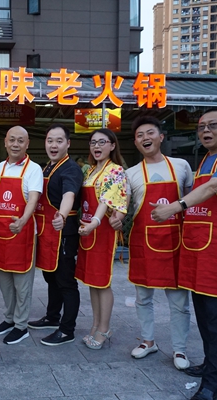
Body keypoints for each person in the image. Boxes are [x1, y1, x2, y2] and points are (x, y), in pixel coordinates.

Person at [151, 109, 217, 400]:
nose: (205, 131)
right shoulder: (205, 159)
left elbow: (213, 187)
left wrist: (174, 207)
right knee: (205, 316)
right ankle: (210, 364)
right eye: (201, 127)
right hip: (197, 247)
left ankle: (214, 384)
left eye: (213, 125)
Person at [124, 116, 192, 370]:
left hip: (176, 242)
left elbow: (191, 199)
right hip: (144, 243)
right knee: (143, 298)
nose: (145, 138)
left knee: (179, 302)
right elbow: (123, 206)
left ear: (161, 137)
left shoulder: (181, 166)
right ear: (136, 142)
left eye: (150, 133)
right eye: (140, 135)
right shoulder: (131, 174)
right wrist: (115, 218)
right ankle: (147, 341)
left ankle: (180, 350)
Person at [28, 124, 83, 346]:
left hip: (63, 232)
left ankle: (67, 329)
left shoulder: (70, 168)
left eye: (59, 141)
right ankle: (52, 317)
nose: (53, 145)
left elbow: (69, 194)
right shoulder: (46, 168)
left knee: (65, 281)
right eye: (50, 140)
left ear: (67, 144)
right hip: (46, 230)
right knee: (51, 276)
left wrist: (61, 214)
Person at [0, 126, 43, 345]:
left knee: (22, 284)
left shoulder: (34, 169)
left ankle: (21, 326)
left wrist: (22, 220)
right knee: (5, 283)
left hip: (22, 234)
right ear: (5, 142)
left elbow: (33, 199)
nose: (15, 144)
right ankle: (9, 319)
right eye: (12, 140)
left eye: (20, 141)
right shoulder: (1, 167)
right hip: (2, 234)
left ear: (27, 144)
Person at [76, 128, 128, 350]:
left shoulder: (115, 171)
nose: (96, 147)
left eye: (102, 142)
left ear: (112, 145)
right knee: (91, 282)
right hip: (86, 231)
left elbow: (107, 201)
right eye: (93, 143)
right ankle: (95, 324)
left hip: (101, 231)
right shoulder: (88, 172)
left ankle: (104, 328)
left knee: (102, 282)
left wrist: (95, 223)